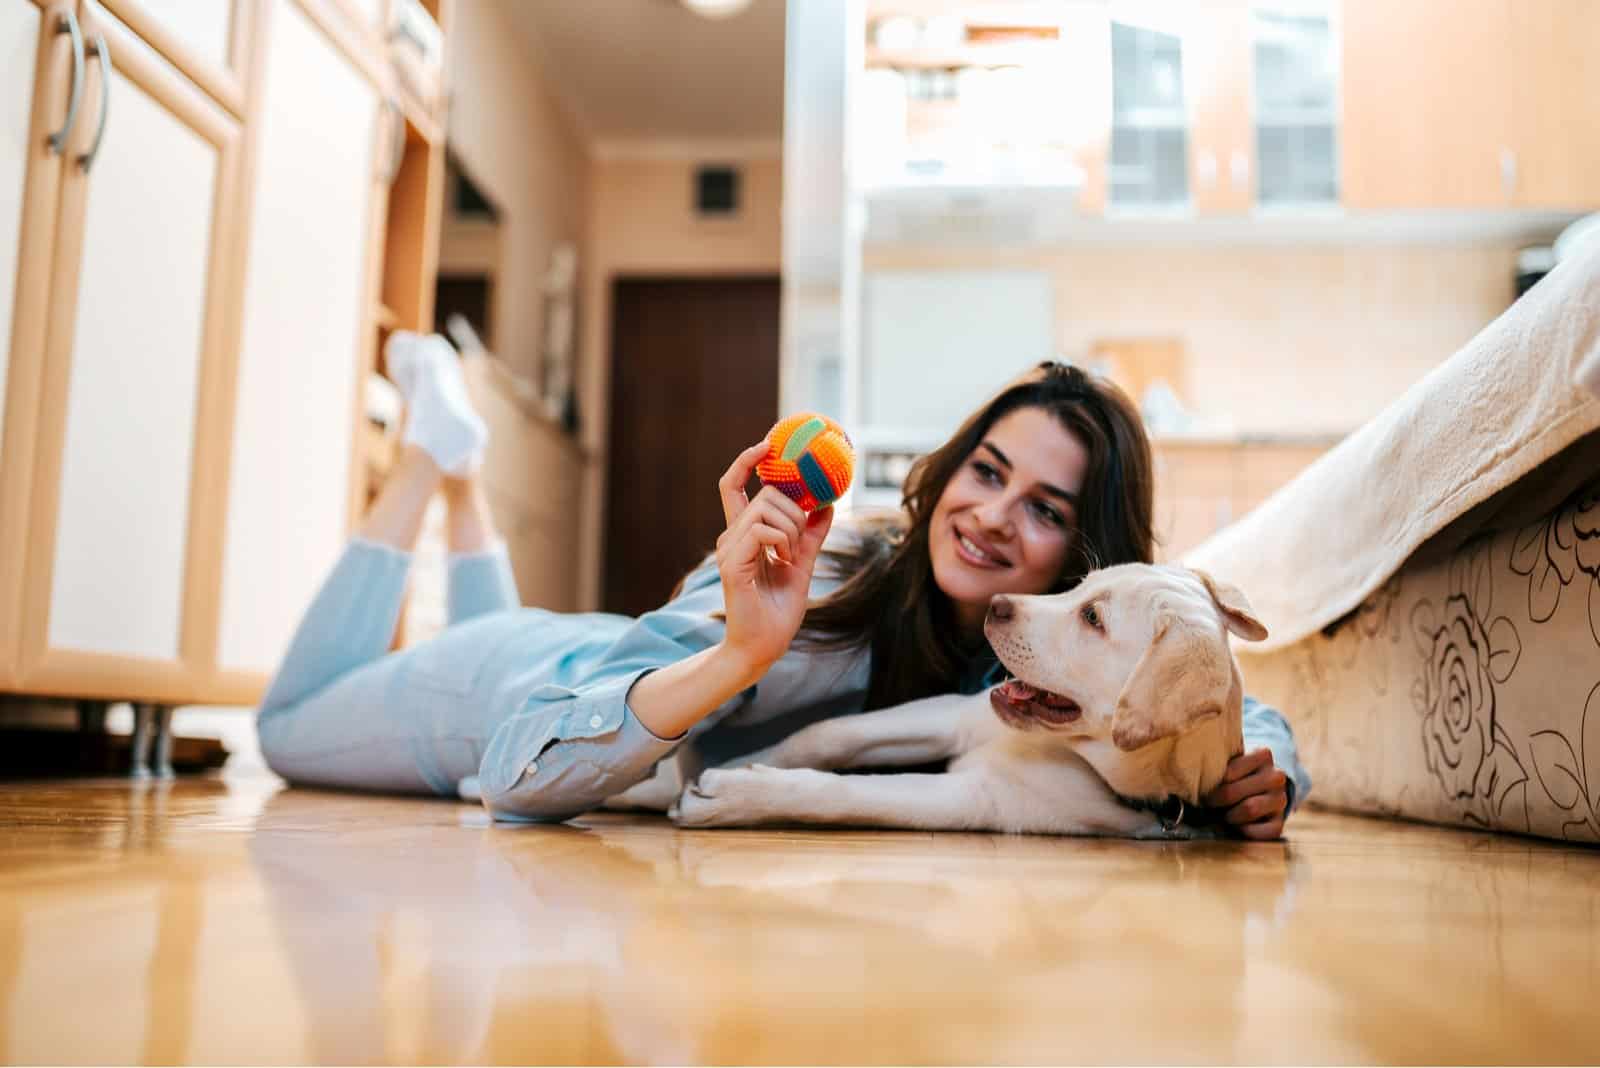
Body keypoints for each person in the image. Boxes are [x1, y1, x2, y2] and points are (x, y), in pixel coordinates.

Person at [257, 334, 1309, 838]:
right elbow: (518, 766)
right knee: (288, 728)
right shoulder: (829, 573)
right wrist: (743, 651)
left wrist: (1270, 776)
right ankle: (426, 465)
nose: (992, 514)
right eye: (986, 473)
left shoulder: (1038, 657)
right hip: (510, 693)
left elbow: (1228, 700)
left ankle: (465, 472)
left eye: (1044, 508)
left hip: (554, 656)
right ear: (948, 471)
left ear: (1087, 562)